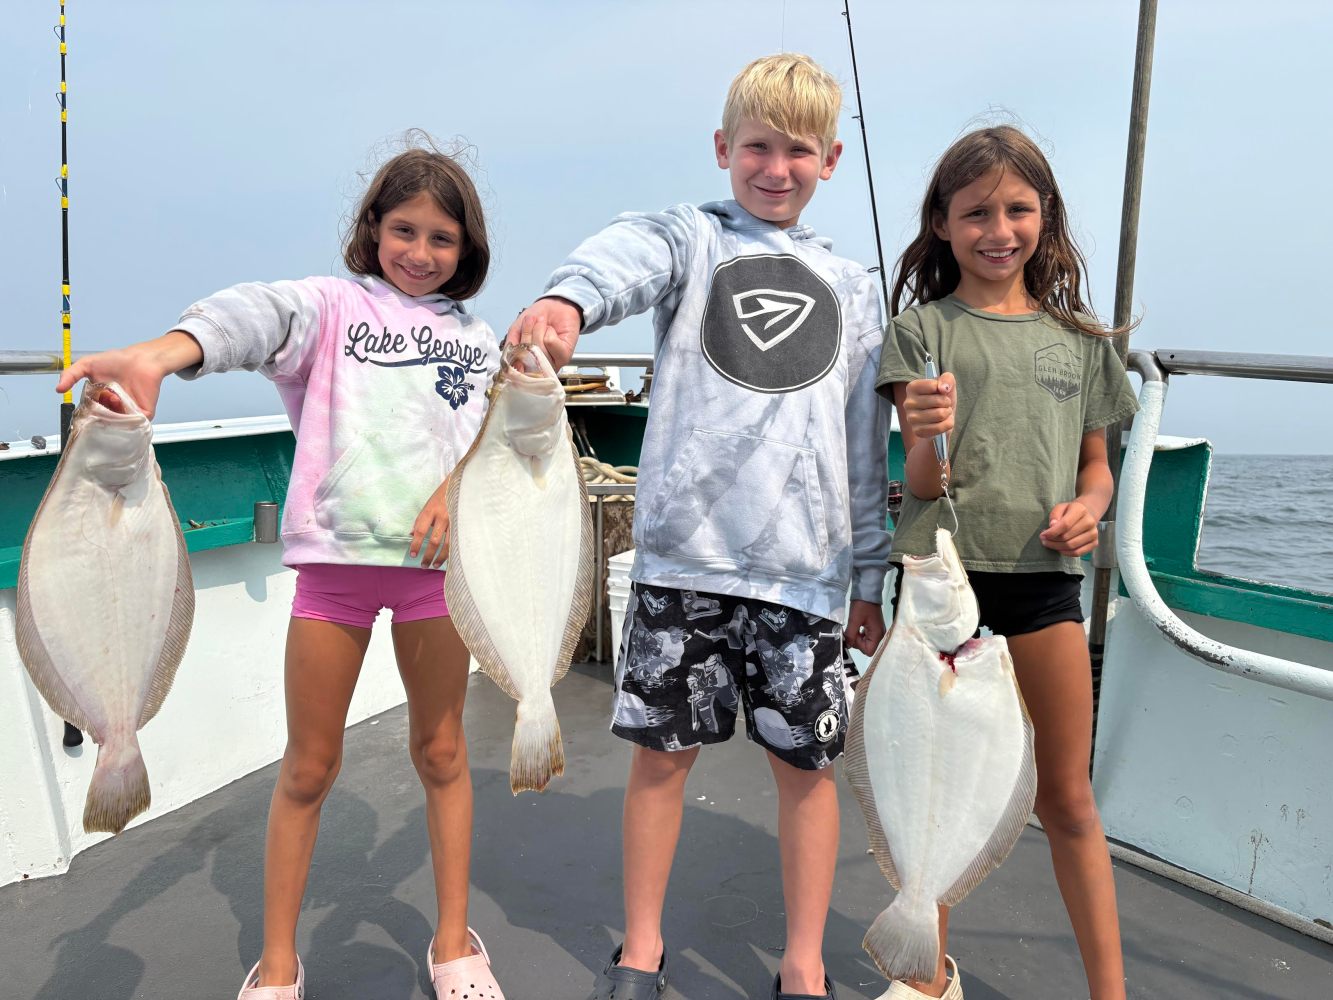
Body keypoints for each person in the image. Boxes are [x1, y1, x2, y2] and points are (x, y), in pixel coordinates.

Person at [55, 137, 509, 1000]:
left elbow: (491, 441)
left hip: (435, 579)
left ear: (468, 248)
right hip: (334, 575)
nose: (419, 253)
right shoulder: (330, 308)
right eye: (403, 230)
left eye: (441, 238)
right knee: (308, 766)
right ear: (373, 229)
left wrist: (455, 490)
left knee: (444, 751)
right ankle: (277, 964)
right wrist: (162, 353)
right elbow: (250, 318)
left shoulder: (476, 340)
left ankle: (454, 943)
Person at [508, 53, 891, 1000]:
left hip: (805, 578)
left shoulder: (854, 287)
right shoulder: (691, 240)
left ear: (830, 159)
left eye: (797, 150)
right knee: (659, 764)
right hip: (684, 564)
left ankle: (801, 965)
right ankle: (641, 947)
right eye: (756, 146)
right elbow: (620, 257)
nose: (775, 168)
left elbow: (862, 447)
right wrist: (567, 302)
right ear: (723, 149)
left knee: (807, 774)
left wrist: (868, 581)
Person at [876, 125, 1138, 1000]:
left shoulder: (1083, 344)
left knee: (1066, 799)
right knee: (932, 792)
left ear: (1046, 218)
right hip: (938, 592)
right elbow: (919, 482)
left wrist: (1089, 510)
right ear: (942, 225)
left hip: (1040, 591)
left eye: (1017, 208)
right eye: (975, 211)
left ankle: (1111, 991)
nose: (998, 228)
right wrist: (922, 433)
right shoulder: (918, 332)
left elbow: (1096, 466)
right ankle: (925, 982)